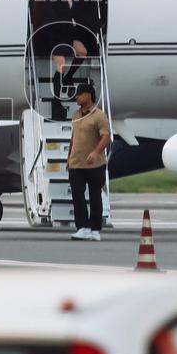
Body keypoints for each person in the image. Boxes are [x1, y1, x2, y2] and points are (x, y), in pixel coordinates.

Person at [66, 83, 111, 241]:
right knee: (77, 195)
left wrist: (96, 152)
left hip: (95, 164)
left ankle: (95, 229)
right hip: (76, 163)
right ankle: (82, 227)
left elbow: (106, 137)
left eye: (79, 94)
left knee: (95, 196)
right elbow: (74, 137)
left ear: (89, 95)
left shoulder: (99, 116)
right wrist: (68, 158)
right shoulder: (75, 115)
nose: (76, 97)